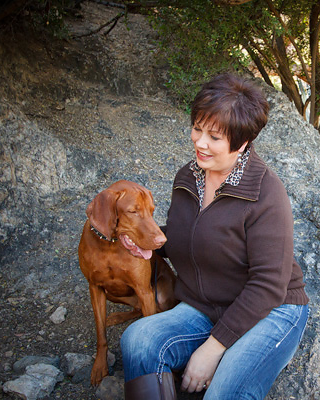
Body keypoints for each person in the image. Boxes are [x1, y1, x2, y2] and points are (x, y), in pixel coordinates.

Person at [120, 74, 309, 400]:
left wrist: (212, 349)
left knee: (222, 393)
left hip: (271, 310)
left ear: (243, 141)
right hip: (206, 307)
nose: (200, 142)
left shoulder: (266, 194)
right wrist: (145, 242)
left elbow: (269, 284)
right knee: (138, 340)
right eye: (197, 129)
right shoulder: (188, 177)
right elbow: (187, 237)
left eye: (214, 136)